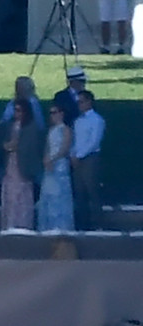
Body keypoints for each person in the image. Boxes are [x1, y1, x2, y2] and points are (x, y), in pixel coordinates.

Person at [0, 99, 45, 230]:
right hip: (10, 165)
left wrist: (16, 146)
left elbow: (32, 147)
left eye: (19, 110)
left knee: (22, 198)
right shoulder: (11, 125)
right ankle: (9, 225)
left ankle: (23, 225)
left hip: (24, 166)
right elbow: (4, 140)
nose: (16, 113)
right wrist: (6, 146)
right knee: (10, 197)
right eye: (15, 110)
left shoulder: (31, 127)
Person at [71, 90, 106, 230]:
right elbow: (74, 140)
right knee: (79, 192)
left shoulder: (97, 120)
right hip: (77, 158)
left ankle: (98, 224)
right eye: (78, 102)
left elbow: (94, 142)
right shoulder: (78, 121)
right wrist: (72, 155)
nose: (79, 104)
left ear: (89, 102)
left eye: (81, 101)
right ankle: (83, 223)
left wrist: (79, 155)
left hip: (90, 158)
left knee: (92, 191)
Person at [37, 104, 76, 232]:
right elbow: (47, 147)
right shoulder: (51, 130)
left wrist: (53, 159)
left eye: (54, 112)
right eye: (50, 113)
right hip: (49, 166)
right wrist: (46, 159)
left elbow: (65, 148)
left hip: (60, 165)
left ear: (61, 113)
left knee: (60, 197)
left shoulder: (66, 130)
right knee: (48, 196)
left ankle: (61, 227)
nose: (52, 116)